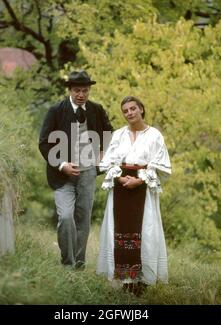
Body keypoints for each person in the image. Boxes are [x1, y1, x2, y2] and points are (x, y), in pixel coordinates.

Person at [97, 96, 171, 295]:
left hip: (143, 190)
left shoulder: (154, 135)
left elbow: (159, 164)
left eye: (132, 109)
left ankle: (142, 281)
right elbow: (109, 162)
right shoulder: (119, 135)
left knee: (145, 231)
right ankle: (124, 280)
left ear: (141, 109)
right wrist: (120, 178)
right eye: (125, 111)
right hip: (120, 190)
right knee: (118, 232)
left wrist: (139, 180)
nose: (129, 113)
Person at [39, 70, 113, 269]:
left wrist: (103, 152)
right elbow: (44, 142)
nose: (81, 94)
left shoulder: (97, 109)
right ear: (70, 90)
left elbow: (108, 132)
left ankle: (78, 265)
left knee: (84, 219)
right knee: (65, 217)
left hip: (88, 172)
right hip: (61, 175)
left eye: (85, 91)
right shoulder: (56, 111)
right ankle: (67, 263)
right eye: (77, 90)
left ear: (89, 91)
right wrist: (62, 165)